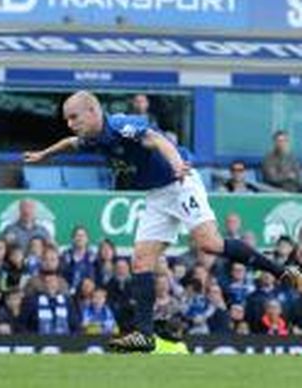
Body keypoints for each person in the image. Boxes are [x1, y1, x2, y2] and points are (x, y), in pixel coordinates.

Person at [24, 91, 302, 352]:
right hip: (157, 195)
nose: (71, 124)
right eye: (67, 120)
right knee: (141, 261)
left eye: (74, 117)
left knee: (209, 243)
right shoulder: (93, 137)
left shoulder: (121, 125)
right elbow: (71, 144)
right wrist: (44, 155)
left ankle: (283, 272)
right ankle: (144, 334)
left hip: (179, 182)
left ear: (93, 110)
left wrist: (177, 164)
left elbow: (158, 140)